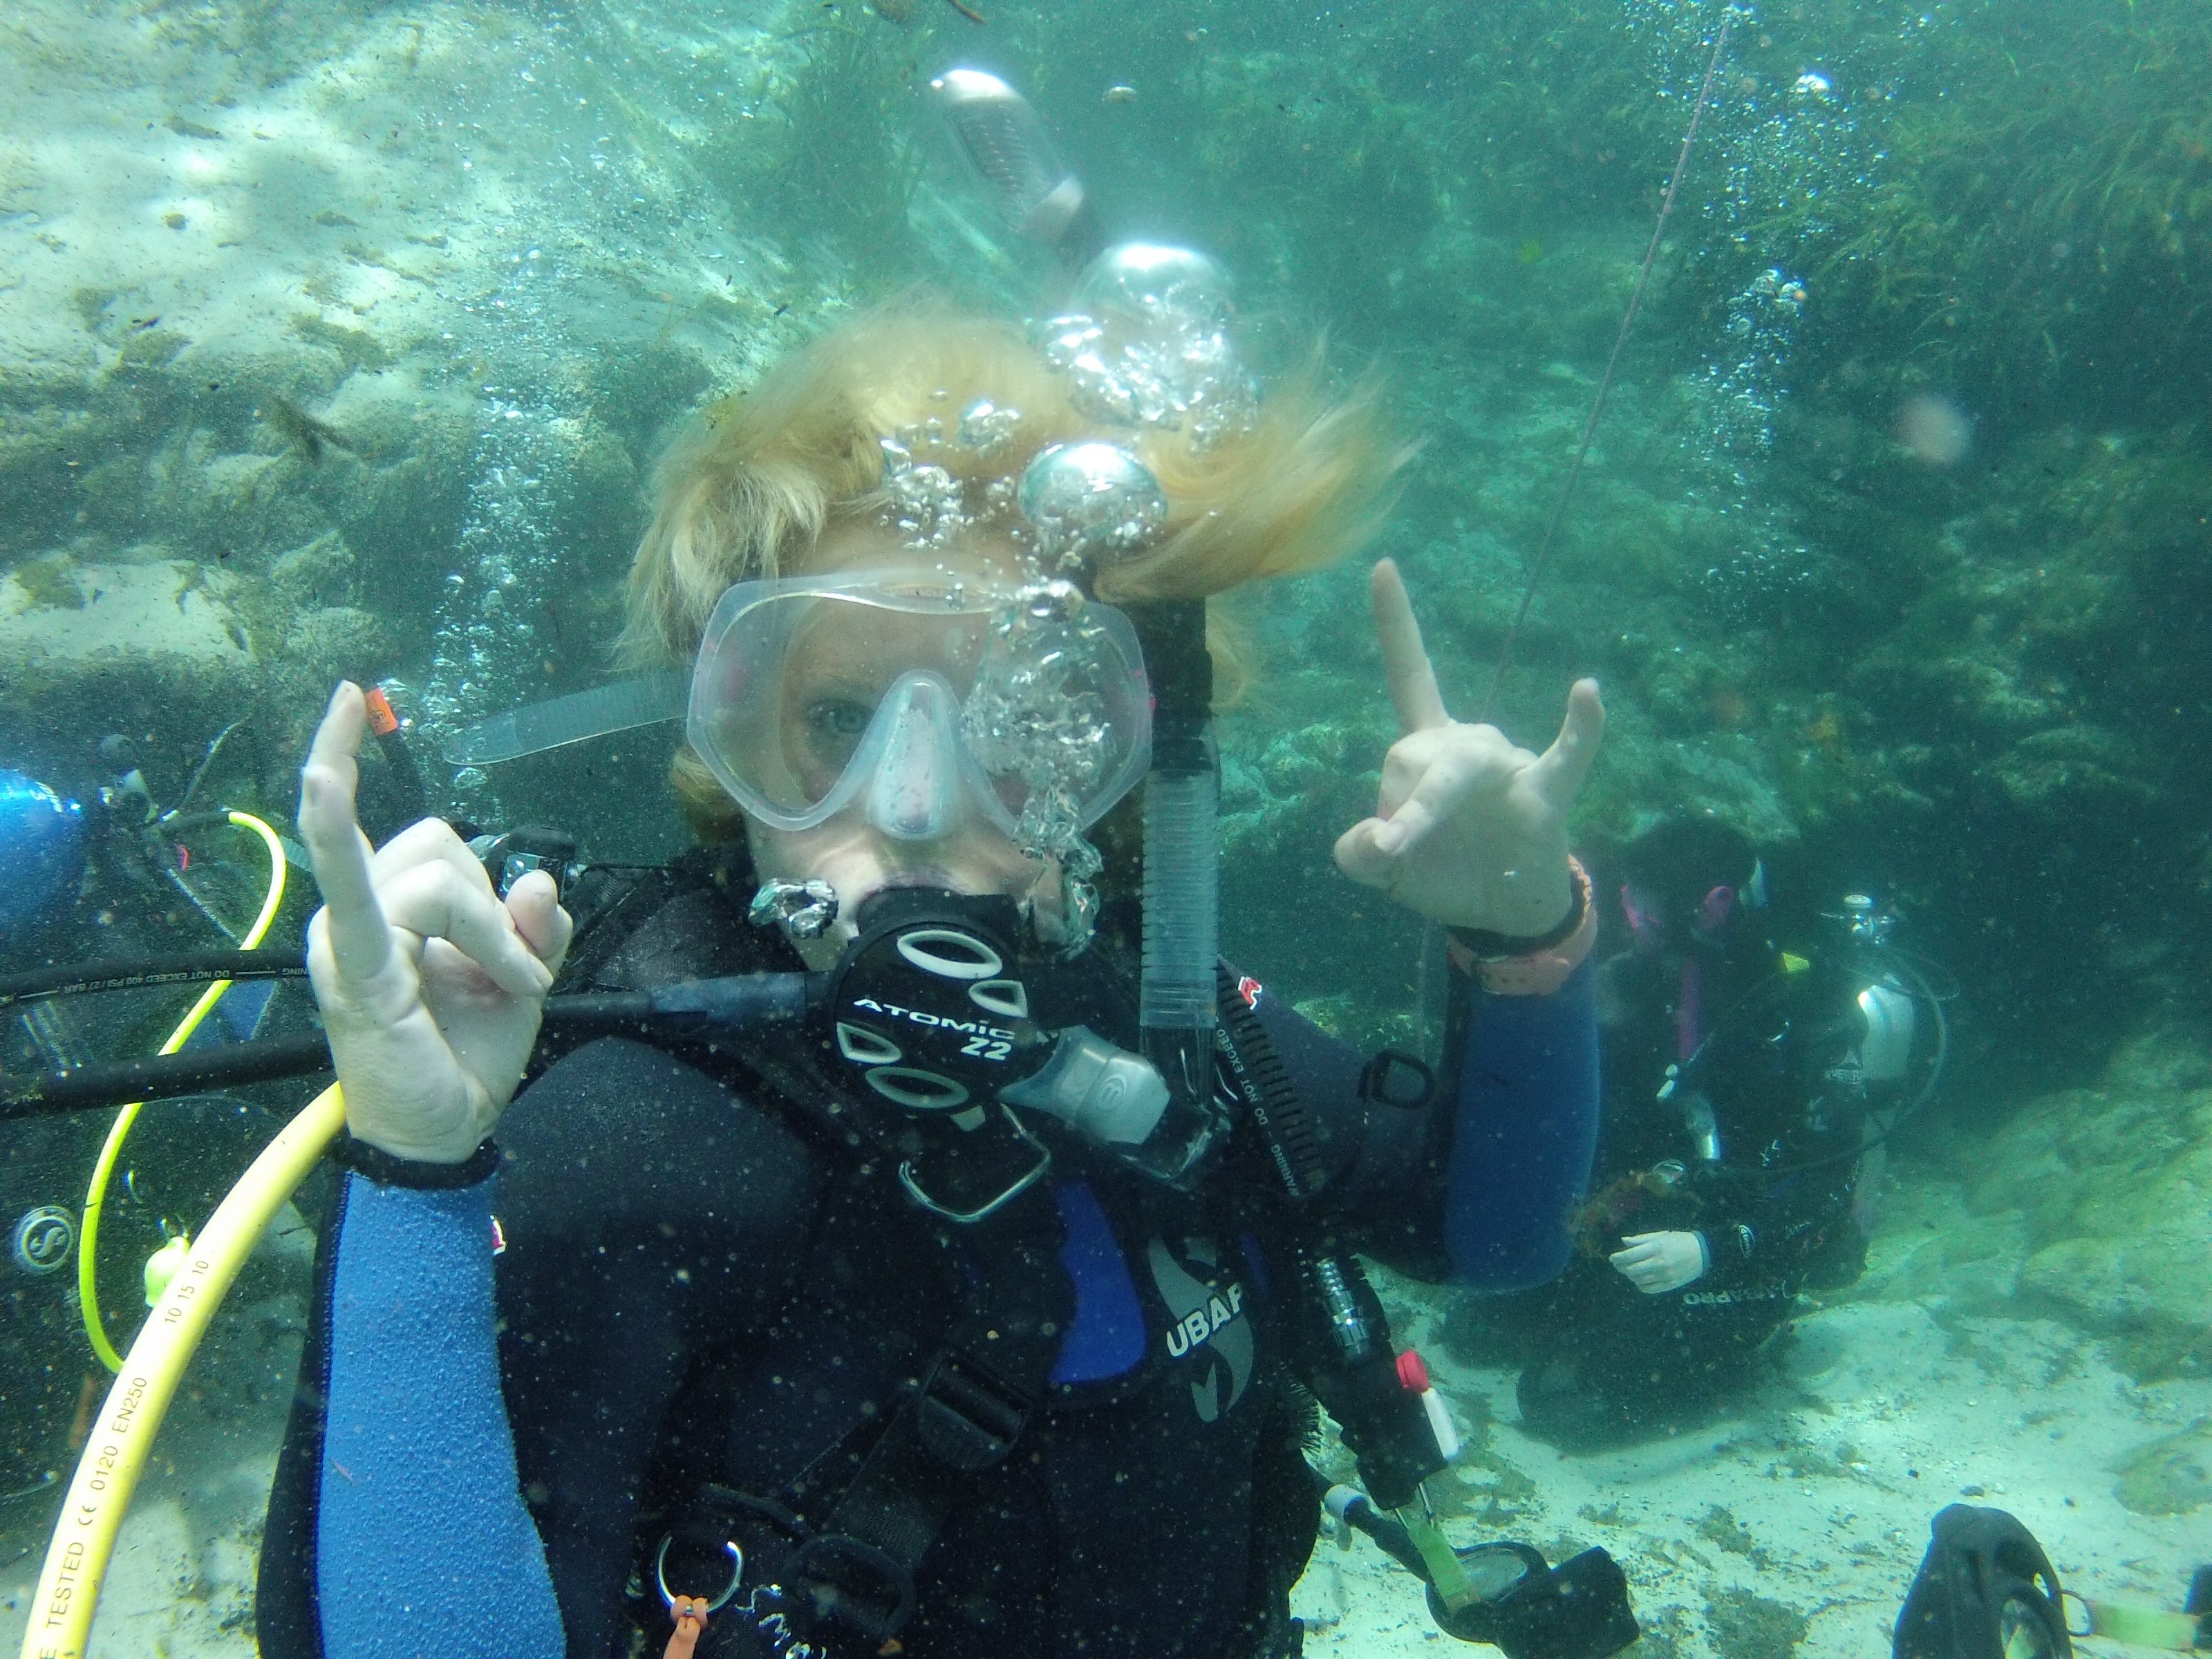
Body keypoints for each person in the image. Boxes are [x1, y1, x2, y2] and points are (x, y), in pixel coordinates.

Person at [254, 299, 1613, 1659]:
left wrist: (1522, 939)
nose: (908, 806)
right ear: (729, 723)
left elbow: (1492, 1235)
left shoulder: (1185, 1040)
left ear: (1117, 755)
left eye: (1005, 721)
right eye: (839, 716)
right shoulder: (633, 1141)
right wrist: (418, 1172)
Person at [1501, 815, 1917, 1448]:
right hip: (1668, 1199)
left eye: (1642, 905)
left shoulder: (1809, 1013)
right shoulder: (1662, 967)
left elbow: (1821, 1197)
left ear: (1717, 904)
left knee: (1565, 1401)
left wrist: (1711, 1250)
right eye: (1626, 898)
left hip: (1754, 1243)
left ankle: (1749, 1335)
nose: (1630, 915)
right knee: (1487, 1321)